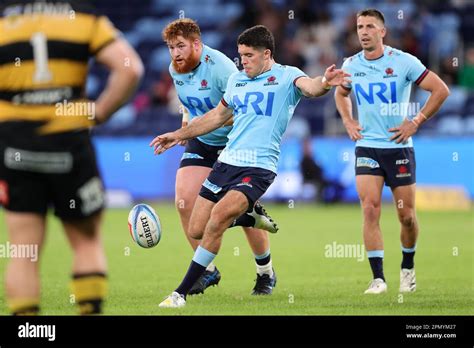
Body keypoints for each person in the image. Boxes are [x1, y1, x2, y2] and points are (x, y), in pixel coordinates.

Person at [151, 24, 349, 307]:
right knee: (196, 229)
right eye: (240, 55)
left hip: (258, 167)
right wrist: (177, 134)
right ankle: (248, 216)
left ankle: (179, 293)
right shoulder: (238, 81)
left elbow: (312, 87)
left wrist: (326, 82)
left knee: (218, 218)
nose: (242, 62)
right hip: (227, 162)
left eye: (248, 56)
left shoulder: (286, 76)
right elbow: (216, 116)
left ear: (266, 54)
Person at [0, 0, 144, 314]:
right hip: (69, 140)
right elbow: (130, 68)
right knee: (86, 242)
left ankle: (29, 331)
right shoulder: (83, 16)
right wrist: (101, 111)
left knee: (24, 250)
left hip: (14, 144)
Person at [334, 9, 450, 294]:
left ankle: (407, 268)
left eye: (370, 26)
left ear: (382, 31)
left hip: (398, 147)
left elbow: (441, 90)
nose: (363, 31)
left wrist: (416, 121)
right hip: (368, 147)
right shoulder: (350, 64)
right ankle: (378, 279)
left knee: (406, 216)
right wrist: (348, 120)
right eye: (360, 26)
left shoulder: (403, 62)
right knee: (370, 209)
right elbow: (341, 93)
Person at [162, 18, 280, 296]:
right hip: (202, 142)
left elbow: (240, 112)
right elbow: (189, 103)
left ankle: (266, 273)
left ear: (197, 45)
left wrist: (199, 125)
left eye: (180, 46)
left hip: (235, 144)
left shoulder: (223, 69)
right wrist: (186, 124)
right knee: (183, 202)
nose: (175, 53)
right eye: (170, 47)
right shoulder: (175, 68)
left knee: (238, 207)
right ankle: (206, 271)